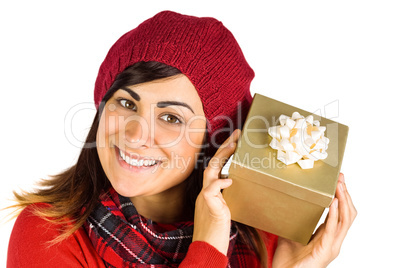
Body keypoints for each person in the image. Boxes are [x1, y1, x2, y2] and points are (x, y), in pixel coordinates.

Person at [7, 11, 356, 268]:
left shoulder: (264, 240)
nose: (134, 134)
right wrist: (207, 249)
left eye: (171, 118)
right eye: (126, 103)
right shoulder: (46, 233)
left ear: (214, 140)